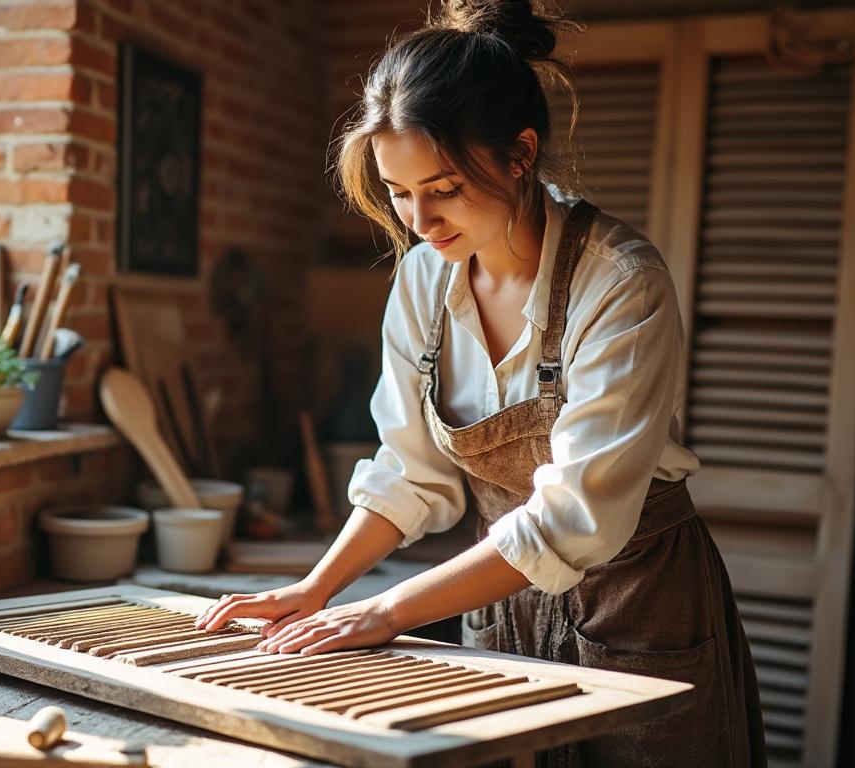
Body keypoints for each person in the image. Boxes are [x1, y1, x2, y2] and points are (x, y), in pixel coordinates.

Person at [195, 1, 767, 765]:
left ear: (520, 154)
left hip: (638, 605)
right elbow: (410, 474)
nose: (419, 220)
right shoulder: (423, 282)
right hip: (499, 602)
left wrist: (385, 612)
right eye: (399, 191)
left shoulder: (620, 283)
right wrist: (318, 587)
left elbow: (575, 518)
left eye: (444, 187)